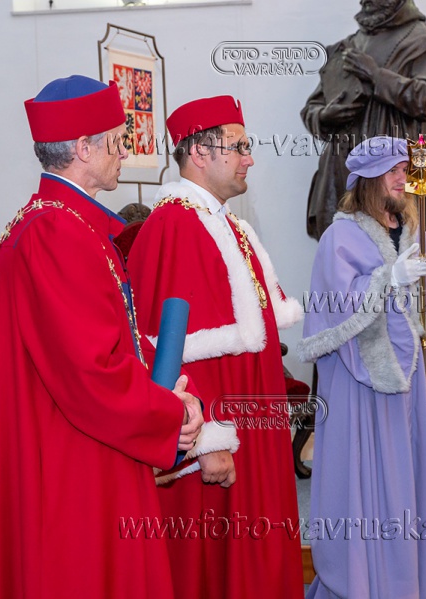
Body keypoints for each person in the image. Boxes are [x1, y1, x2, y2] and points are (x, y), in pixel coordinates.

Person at [0, 75, 203, 599]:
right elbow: (91, 371)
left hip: (86, 446)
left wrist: (176, 392)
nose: (124, 151)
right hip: (75, 465)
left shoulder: (67, 225)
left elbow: (114, 337)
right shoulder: (54, 233)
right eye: (117, 140)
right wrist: (167, 413)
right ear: (84, 148)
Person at [127, 95, 305, 599]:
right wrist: (207, 442)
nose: (250, 158)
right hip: (220, 438)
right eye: (240, 147)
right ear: (200, 153)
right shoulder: (174, 225)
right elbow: (166, 351)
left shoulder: (228, 224)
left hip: (254, 430)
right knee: (217, 566)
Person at [298, 136, 426, 599]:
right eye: (392, 170)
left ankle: (407, 584)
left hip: (409, 388)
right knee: (363, 486)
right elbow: (334, 313)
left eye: (405, 169)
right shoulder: (339, 238)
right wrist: (387, 279)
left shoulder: (418, 235)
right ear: (367, 178)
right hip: (359, 387)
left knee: (408, 487)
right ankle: (361, 583)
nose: (402, 178)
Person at [301, 0, 426, 278]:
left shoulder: (423, 42)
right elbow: (312, 108)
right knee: (346, 267)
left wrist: (376, 76)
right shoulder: (346, 47)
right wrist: (326, 115)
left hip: (400, 174)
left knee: (411, 259)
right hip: (344, 175)